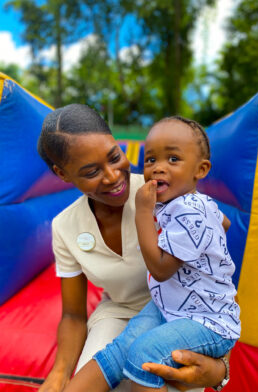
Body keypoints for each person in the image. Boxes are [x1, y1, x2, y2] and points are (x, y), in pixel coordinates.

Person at [37, 105, 232, 392]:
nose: (113, 176)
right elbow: (73, 315)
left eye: (115, 157)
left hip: (181, 313)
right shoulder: (65, 226)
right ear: (62, 173)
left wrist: (220, 369)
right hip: (120, 312)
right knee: (107, 370)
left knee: (158, 369)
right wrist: (59, 373)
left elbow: (214, 271)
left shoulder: (166, 192)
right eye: (91, 171)